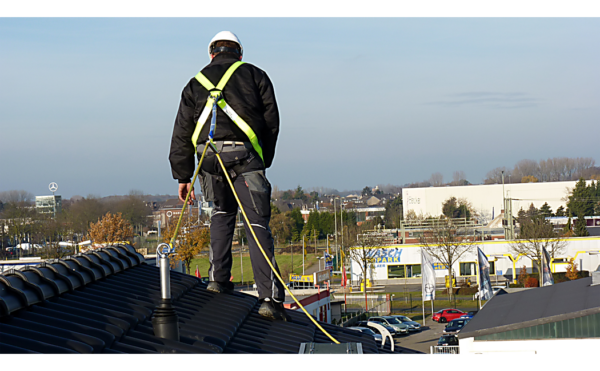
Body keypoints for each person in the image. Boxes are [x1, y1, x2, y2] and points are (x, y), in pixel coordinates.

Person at [169, 31, 288, 321]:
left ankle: (217, 281)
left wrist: (183, 176)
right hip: (245, 158)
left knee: (221, 215)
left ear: (211, 54)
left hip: (208, 161)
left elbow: (182, 131)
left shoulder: (194, 83)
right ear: (240, 54)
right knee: (256, 223)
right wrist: (263, 161)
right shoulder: (255, 75)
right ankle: (269, 299)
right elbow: (271, 122)